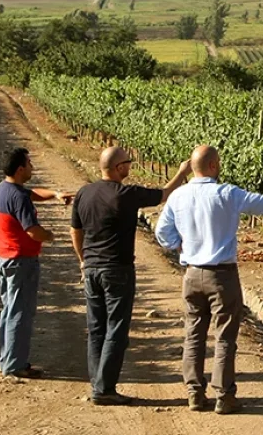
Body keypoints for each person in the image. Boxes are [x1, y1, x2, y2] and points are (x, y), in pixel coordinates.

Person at [155, 144, 263, 415]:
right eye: (218, 162)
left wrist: (181, 248)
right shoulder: (228, 193)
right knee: (224, 336)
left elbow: (162, 232)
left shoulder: (178, 196)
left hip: (192, 273)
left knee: (194, 333)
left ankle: (194, 394)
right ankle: (224, 395)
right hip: (222, 276)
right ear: (212, 165)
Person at [70, 146, 191, 406]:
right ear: (118, 168)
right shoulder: (125, 194)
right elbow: (165, 194)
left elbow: (75, 231)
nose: (130, 166)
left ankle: (98, 384)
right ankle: (104, 389)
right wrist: (183, 171)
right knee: (116, 329)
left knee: (96, 328)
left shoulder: (84, 193)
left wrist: (83, 260)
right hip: (117, 270)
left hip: (91, 269)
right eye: (128, 162)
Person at [0, 147, 72, 381]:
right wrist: (50, 235)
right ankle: (15, 366)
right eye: (29, 163)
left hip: (4, 259)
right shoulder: (17, 197)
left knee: (9, 310)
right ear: (20, 169)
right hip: (20, 261)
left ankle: (7, 359)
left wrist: (55, 194)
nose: (32, 167)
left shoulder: (2, 189)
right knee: (21, 313)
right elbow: (33, 231)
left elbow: (31, 194)